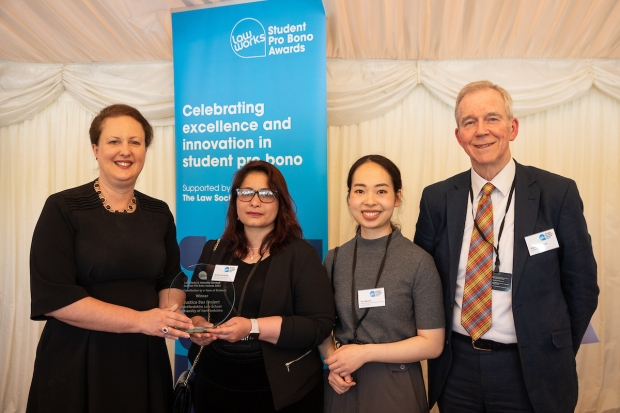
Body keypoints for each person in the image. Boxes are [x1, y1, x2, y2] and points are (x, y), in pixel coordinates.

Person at [414, 80, 599, 412]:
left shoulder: (556, 194)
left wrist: (553, 348)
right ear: (459, 136)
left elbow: (582, 285)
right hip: (457, 369)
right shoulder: (437, 199)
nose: (481, 131)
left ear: (512, 128)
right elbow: (421, 285)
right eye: (469, 122)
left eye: (492, 118)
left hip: (531, 369)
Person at [27, 104, 194, 413]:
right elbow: (54, 298)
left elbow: (171, 279)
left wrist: (171, 315)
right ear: (96, 149)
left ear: (145, 150)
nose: (125, 151)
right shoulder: (63, 208)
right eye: (114, 141)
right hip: (78, 359)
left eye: (135, 142)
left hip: (143, 356)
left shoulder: (159, 212)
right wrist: (142, 320)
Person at [187, 160, 335, 413]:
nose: (254, 202)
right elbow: (195, 307)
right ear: (235, 201)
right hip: (214, 386)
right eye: (246, 193)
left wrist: (252, 327)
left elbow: (318, 325)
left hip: (280, 391)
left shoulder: (301, 256)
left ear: (281, 203)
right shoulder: (213, 250)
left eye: (266, 194)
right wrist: (198, 327)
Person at [320, 155, 445, 413]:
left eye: (381, 191)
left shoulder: (418, 261)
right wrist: (332, 361)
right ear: (349, 197)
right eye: (359, 190)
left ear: (397, 197)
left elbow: (432, 343)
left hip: (396, 386)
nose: (370, 201)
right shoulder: (335, 258)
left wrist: (365, 353)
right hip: (342, 383)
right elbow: (320, 323)